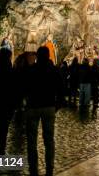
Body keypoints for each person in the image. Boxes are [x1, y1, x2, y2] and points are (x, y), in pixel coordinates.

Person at [23, 47, 63, 176]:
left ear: (38, 56)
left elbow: (25, 88)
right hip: (49, 107)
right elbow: (61, 89)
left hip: (33, 107)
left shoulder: (31, 69)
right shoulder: (54, 70)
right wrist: (56, 106)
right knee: (49, 139)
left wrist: (25, 103)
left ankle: (33, 167)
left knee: (32, 140)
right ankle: (49, 167)